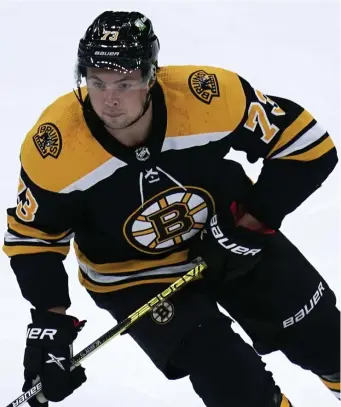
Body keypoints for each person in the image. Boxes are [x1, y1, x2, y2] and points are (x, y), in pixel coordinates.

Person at [3, 10, 340, 407]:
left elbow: (308, 147)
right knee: (230, 380)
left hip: (230, 235)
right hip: (134, 276)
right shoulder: (55, 147)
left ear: (150, 76)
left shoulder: (209, 95)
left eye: (125, 83)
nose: (109, 100)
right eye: (97, 82)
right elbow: (32, 240)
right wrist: (50, 324)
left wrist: (251, 222)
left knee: (325, 342)